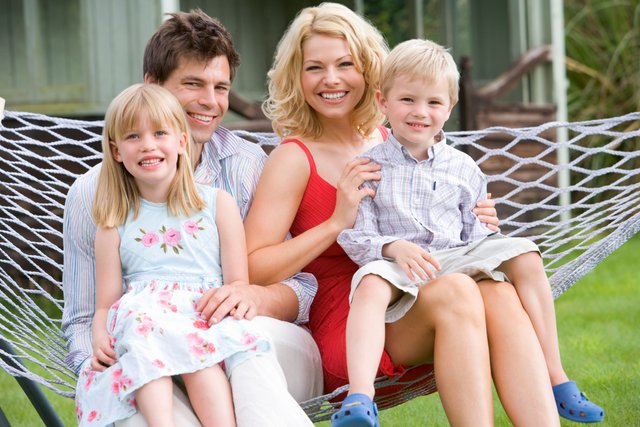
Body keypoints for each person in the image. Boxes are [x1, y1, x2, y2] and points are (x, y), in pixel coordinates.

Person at [243, 3, 521, 427]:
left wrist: (476, 218)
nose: (331, 79)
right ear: (297, 78)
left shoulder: (396, 137)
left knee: (498, 291)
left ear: (370, 71)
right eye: (314, 67)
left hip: (415, 288)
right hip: (352, 322)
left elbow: (440, 216)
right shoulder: (293, 157)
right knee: (459, 292)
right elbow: (253, 267)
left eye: (345, 64)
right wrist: (336, 221)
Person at [62, 10, 319, 427]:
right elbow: (82, 315)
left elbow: (303, 290)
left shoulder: (248, 167)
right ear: (151, 86)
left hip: (260, 348)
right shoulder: (94, 195)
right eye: (193, 84)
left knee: (241, 349)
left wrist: (255, 297)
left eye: (221, 88)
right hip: (149, 355)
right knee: (138, 405)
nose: (211, 102)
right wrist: (101, 360)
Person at [336, 39, 604, 425]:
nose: (420, 113)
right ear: (383, 101)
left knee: (526, 253)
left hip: (456, 259)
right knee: (369, 284)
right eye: (407, 100)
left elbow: (474, 236)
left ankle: (556, 376)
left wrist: (487, 231)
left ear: (449, 107)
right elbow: (358, 239)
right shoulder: (367, 166)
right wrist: (394, 247)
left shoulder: (463, 168)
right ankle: (360, 397)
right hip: (399, 270)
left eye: (433, 103)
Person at [75, 83, 276, 426]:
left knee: (200, 359)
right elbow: (106, 303)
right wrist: (98, 333)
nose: (148, 145)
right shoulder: (112, 222)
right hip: (145, 320)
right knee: (143, 337)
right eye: (133, 137)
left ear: (182, 142)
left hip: (200, 314)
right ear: (117, 151)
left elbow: (237, 281)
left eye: (159, 133)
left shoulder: (216, 205)